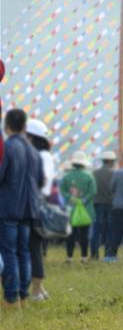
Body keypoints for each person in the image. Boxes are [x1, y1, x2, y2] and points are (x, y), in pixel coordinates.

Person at [0, 108, 44, 307]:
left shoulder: (7, 147)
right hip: (28, 209)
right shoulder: (34, 151)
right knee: (23, 251)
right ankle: (23, 295)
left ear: (6, 125)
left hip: (9, 207)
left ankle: (11, 297)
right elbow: (40, 181)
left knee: (8, 252)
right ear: (25, 127)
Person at [25, 119, 56, 300]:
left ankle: (36, 290)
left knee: (33, 248)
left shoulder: (40, 156)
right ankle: (40, 289)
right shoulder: (45, 155)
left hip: (35, 203)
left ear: (31, 137)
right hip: (40, 202)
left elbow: (40, 180)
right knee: (35, 247)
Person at [60, 151, 96, 263]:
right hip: (86, 210)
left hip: (70, 209)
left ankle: (69, 257)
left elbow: (62, 191)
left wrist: (71, 198)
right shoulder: (89, 176)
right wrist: (83, 200)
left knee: (70, 234)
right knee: (84, 234)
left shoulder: (66, 176)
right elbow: (93, 192)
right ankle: (84, 257)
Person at [91, 150, 116, 259]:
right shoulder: (114, 173)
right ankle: (107, 253)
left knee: (96, 229)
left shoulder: (94, 173)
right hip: (110, 204)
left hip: (97, 203)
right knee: (110, 229)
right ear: (112, 161)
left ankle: (94, 254)